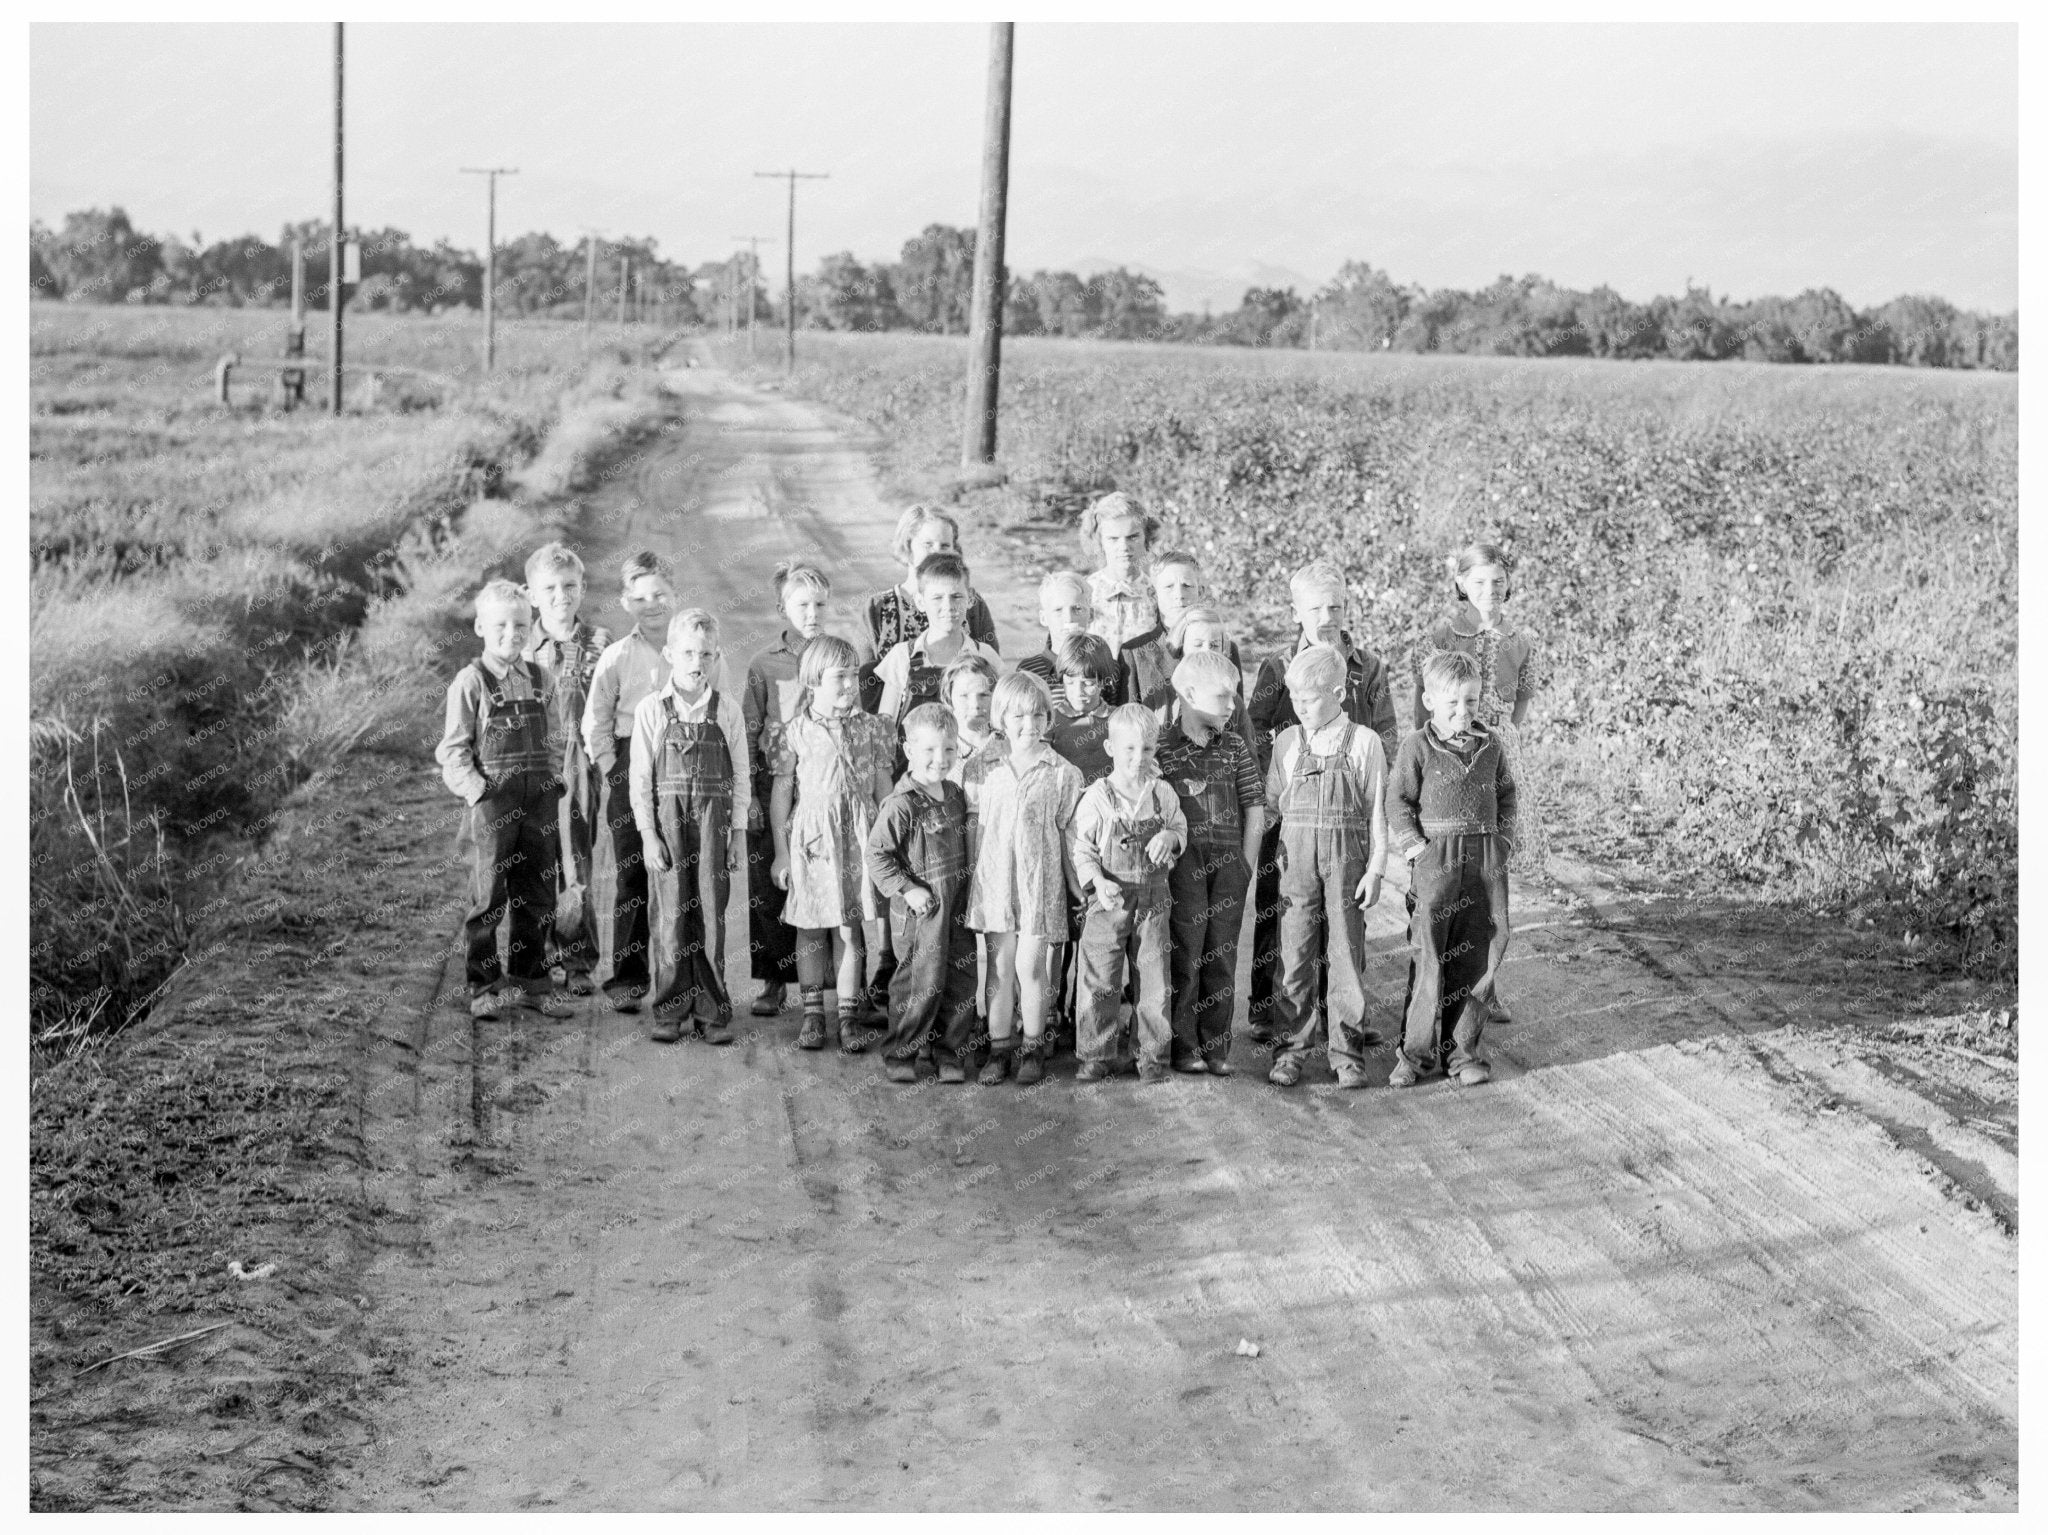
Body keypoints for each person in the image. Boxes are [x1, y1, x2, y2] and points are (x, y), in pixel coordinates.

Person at [1245, 560, 1399, 1044]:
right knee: (1282, 911)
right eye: (1315, 608)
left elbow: (1387, 730)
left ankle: (1342, 1016)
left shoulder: (1368, 668)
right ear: (1296, 612)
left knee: (1344, 918)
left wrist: (1376, 783)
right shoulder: (1278, 667)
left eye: (1335, 606)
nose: (1326, 617)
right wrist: (1274, 789)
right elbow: (1255, 727)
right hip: (1291, 807)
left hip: (1348, 809)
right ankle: (1271, 1012)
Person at [1409, 541, 1546, 1020]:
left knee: (1490, 875)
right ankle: (1433, 987)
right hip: (1446, 748)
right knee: (1444, 871)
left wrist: (1502, 732)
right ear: (1461, 583)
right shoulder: (1442, 635)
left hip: (1495, 749)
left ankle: (1484, 989)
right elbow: (1422, 698)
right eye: (1479, 581)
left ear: (1509, 585)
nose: (1490, 590)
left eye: (1499, 582)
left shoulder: (1521, 639)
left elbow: (1523, 698)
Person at [436, 580, 576, 1021]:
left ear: (530, 627)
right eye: (500, 625)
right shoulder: (471, 681)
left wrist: (554, 778)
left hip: (539, 802)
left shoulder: (541, 678)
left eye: (520, 625)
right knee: (488, 897)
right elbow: (453, 750)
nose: (511, 634)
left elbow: (556, 736)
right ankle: (483, 985)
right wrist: (477, 790)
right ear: (480, 627)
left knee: (538, 894)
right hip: (493, 804)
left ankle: (532, 982)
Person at [1263, 644, 1390, 1089]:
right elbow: (1272, 804)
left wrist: (1376, 869)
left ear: (1338, 694)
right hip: (1296, 865)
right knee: (1294, 956)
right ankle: (1290, 1050)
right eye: (1294, 699)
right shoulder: (1287, 743)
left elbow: (1377, 813)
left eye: (1310, 699)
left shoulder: (1365, 743)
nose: (1300, 708)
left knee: (1346, 958)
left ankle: (1347, 1054)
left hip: (1346, 865)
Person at [1389, 649, 1515, 1088]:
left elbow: (1507, 796)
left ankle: (1463, 1055)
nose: (1463, 711)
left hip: (1484, 862)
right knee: (1429, 957)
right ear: (1429, 701)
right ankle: (1413, 1055)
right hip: (1436, 861)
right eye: (1452, 703)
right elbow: (1398, 800)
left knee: (1478, 956)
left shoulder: (1491, 746)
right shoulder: (1417, 746)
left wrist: (1503, 841)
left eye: (1472, 701)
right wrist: (1415, 848)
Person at [769, 634, 897, 1054]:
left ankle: (847, 1015)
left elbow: (884, 790)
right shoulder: (795, 733)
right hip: (811, 841)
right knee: (809, 927)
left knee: (848, 928)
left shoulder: (872, 728)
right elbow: (781, 796)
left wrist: (890, 841)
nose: (849, 685)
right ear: (812, 683)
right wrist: (781, 853)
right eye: (839, 677)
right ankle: (812, 1015)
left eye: (854, 675)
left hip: (858, 839)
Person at [630, 610, 751, 1045]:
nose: (696, 662)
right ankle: (669, 1009)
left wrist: (738, 835)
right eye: (687, 653)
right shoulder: (652, 710)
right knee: (671, 917)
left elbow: (741, 777)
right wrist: (648, 835)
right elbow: (640, 780)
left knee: (711, 916)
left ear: (716, 656)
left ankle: (711, 1012)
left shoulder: (727, 711)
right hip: (669, 829)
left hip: (714, 827)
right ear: (669, 655)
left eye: (705, 654)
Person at [966, 671, 1085, 1087]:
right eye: (1018, 716)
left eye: (1037, 715)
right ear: (1001, 717)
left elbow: (1069, 834)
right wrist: (970, 879)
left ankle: (1033, 1046)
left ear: (1049, 717)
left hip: (1039, 885)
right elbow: (975, 828)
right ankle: (999, 1048)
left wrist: (1077, 885)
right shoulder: (983, 767)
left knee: (1031, 966)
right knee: (999, 967)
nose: (1028, 725)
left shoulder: (1063, 772)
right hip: (996, 883)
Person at [1156, 649, 1267, 1076]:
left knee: (1221, 953)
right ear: (1188, 693)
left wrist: (1245, 865)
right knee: (1186, 951)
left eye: (1235, 695)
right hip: (1182, 864)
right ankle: (1184, 1046)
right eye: (1223, 696)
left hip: (1228, 864)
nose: (1232, 705)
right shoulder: (1162, 746)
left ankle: (1216, 1047)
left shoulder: (1235, 746)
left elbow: (1254, 808)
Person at [581, 552, 677, 1012]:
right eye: (640, 598)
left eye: (660, 594)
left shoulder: (691, 650)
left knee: (680, 874)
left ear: (674, 594)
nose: (651, 605)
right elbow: (596, 720)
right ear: (625, 602)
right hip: (627, 759)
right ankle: (628, 980)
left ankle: (682, 981)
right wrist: (611, 767)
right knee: (632, 874)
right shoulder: (617, 655)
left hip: (680, 764)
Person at [865, 703, 980, 1085]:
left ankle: (950, 1053)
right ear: (908, 749)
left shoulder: (955, 795)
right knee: (919, 982)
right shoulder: (901, 803)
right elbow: (877, 854)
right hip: (921, 915)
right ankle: (903, 1051)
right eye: (929, 749)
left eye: (949, 749)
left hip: (957, 908)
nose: (940, 758)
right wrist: (908, 888)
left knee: (960, 980)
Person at [1070, 705, 1186, 1084]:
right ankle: (1096, 1054)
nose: (1139, 758)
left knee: (1154, 979)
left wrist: (1170, 838)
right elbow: (1082, 850)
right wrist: (1097, 882)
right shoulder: (1097, 797)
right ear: (1110, 748)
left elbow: (1180, 829)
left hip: (1153, 901)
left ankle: (1151, 1056)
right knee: (1100, 977)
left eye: (1147, 749)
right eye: (1129, 749)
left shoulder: (1162, 793)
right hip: (1109, 901)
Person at [740, 561, 831, 1018]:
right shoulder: (763, 664)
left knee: (825, 876)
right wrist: (749, 797)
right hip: (771, 781)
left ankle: (833, 986)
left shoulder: (836, 656)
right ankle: (773, 979)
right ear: (782, 609)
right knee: (769, 880)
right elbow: (749, 729)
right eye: (801, 605)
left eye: (819, 604)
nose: (812, 613)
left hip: (820, 783)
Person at [521, 542, 613, 996]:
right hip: (533, 764)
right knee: (534, 863)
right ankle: (538, 958)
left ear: (583, 588)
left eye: (570, 586)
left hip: (580, 763)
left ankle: (577, 960)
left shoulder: (600, 643)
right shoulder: (520, 643)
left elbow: (613, 703)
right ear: (531, 594)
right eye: (550, 588)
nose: (561, 595)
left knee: (575, 863)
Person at [860, 503, 1000, 715]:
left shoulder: (972, 604)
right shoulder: (878, 607)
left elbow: (990, 678)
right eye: (928, 544)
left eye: (945, 546)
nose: (937, 553)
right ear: (908, 547)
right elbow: (865, 683)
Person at [874, 550, 1003, 727]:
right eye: (937, 598)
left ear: (971, 599)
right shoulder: (903, 656)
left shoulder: (984, 655)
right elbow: (885, 727)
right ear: (920, 602)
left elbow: (1002, 718)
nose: (948, 606)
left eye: (956, 596)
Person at [1118, 550, 1244, 709]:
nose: (1179, 594)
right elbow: (1128, 719)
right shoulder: (1134, 653)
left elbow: (1236, 714)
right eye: (1169, 587)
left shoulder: (1224, 648)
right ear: (1153, 594)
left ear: (1200, 592)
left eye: (1187, 586)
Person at [1017, 571, 1122, 707]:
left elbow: (1118, 716)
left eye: (1077, 609)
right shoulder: (1028, 671)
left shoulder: (1109, 666)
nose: (1068, 618)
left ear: (1090, 615)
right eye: (1058, 610)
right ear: (1043, 618)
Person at [1079, 491, 1163, 651]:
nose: (1124, 547)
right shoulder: (1084, 591)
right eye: (1113, 539)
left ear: (1147, 538)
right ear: (1100, 542)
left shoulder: (1158, 592)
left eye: (1133, 537)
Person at [1047, 632, 1119, 785]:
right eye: (1070, 682)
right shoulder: (1051, 720)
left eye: (1088, 683)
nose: (1078, 691)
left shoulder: (1119, 719)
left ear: (1103, 681)